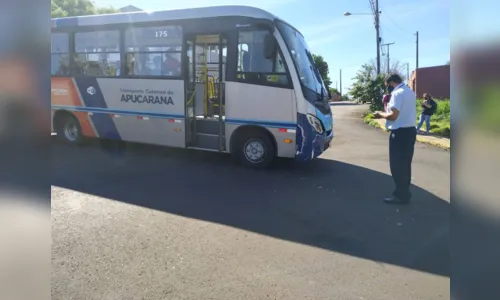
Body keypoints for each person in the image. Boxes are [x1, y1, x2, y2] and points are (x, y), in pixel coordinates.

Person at [373, 74, 417, 204]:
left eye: (388, 85)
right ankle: (405, 193)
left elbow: (393, 116)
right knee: (405, 164)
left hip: (399, 133)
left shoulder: (398, 93)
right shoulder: (410, 91)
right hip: (410, 131)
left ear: (392, 82)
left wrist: (380, 114)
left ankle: (400, 195)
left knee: (397, 166)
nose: (388, 89)